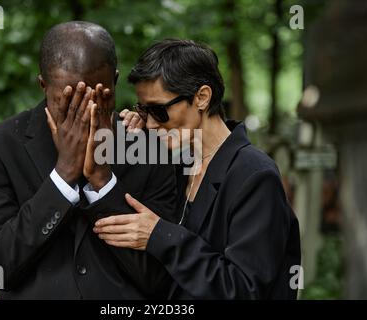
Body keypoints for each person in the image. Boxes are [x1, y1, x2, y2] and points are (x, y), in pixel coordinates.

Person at [0, 21, 177, 299]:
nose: (84, 114)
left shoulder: (148, 146)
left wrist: (103, 183)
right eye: (68, 101)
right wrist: (63, 176)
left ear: (114, 81)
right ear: (43, 85)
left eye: (96, 99)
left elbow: (159, 278)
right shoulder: (1, 145)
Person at [93, 39, 301, 299]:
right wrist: (130, 133)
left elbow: (244, 290)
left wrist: (161, 236)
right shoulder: (177, 166)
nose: (150, 124)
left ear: (202, 97)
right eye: (144, 110)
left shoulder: (255, 175)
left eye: (158, 110)